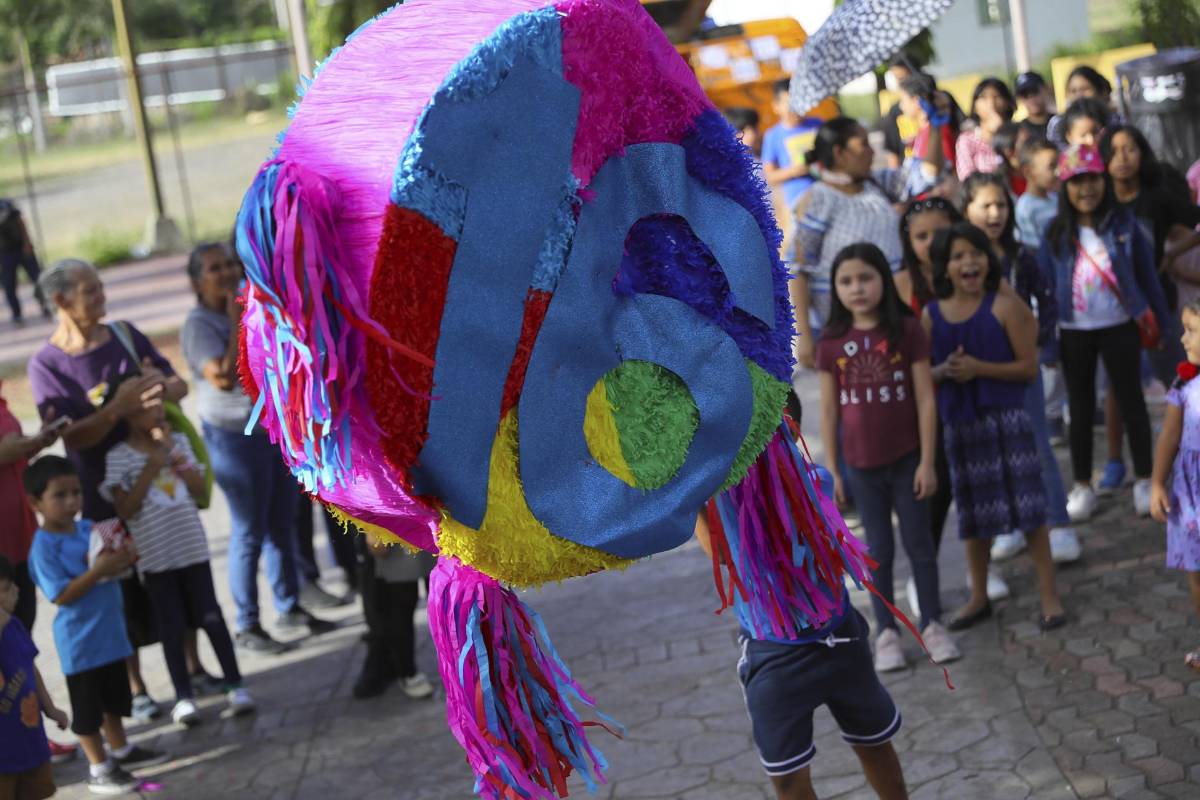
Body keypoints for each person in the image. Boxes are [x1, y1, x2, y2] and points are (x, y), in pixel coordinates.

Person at [27, 258, 189, 724]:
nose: (102, 298)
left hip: (160, 487)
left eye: (101, 288)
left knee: (171, 575)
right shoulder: (46, 365)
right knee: (120, 592)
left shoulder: (123, 334)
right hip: (98, 496)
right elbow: (70, 436)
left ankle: (191, 668)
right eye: (90, 291)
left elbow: (177, 383)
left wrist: (162, 387)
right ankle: (136, 688)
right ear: (61, 302)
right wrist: (116, 409)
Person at [180, 243, 334, 654]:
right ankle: (247, 623)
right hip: (233, 437)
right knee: (249, 531)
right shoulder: (199, 325)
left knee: (281, 523)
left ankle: (289, 606)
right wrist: (236, 324)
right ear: (197, 281)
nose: (227, 272)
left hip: (271, 429)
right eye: (214, 268)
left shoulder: (253, 307)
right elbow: (224, 378)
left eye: (230, 263)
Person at [694, 513, 908, 800]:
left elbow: (816, 529)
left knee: (876, 744)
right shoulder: (713, 484)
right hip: (771, 648)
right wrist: (694, 495)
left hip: (837, 631)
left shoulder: (809, 476)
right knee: (787, 779)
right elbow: (720, 553)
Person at [816, 244, 959, 671]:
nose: (857, 288)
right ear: (835, 289)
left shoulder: (908, 331)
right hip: (861, 467)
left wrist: (928, 461)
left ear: (883, 279)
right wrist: (834, 471)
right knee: (876, 551)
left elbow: (925, 401)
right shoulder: (831, 344)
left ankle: (933, 624)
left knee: (920, 545)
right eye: (846, 281)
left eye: (865, 278)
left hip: (908, 460)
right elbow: (828, 410)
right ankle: (887, 633)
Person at [924, 223, 1066, 632]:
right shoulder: (931, 316)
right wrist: (943, 370)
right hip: (961, 426)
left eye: (976, 253)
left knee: (1030, 509)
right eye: (958, 256)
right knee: (973, 514)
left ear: (989, 261)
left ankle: (1048, 595)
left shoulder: (1006, 307)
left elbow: (1026, 368)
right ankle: (979, 595)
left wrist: (978, 368)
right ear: (945, 268)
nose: (969, 262)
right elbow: (924, 375)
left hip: (1007, 421)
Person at [98, 371, 256, 727]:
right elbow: (125, 509)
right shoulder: (119, 458)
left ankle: (235, 685)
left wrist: (172, 455)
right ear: (127, 415)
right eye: (146, 408)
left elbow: (200, 488)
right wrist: (152, 465)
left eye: (159, 405)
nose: (156, 413)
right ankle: (184, 697)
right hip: (156, 558)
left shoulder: (178, 442)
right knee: (171, 626)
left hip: (192, 550)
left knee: (211, 617)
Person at [1037, 144, 1168, 523]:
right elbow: (1045, 289)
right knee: (1078, 408)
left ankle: (1145, 478)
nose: (1086, 190)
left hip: (1120, 325)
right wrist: (1046, 343)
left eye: (1092, 179)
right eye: (1076, 182)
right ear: (1065, 187)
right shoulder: (1055, 231)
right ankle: (1082, 484)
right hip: (1073, 331)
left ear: (1104, 181)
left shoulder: (1123, 223)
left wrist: (1161, 322)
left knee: (1132, 402)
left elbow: (1147, 276)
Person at [24, 456, 168, 795]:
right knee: (88, 712)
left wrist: (123, 558)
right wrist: (99, 571)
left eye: (75, 492)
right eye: (59, 495)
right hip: (81, 644)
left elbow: (114, 559)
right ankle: (99, 767)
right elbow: (60, 595)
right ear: (35, 503)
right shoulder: (43, 547)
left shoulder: (88, 529)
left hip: (112, 635)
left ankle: (120, 750)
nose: (71, 501)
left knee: (114, 702)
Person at [960, 172, 1080, 565]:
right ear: (966, 210)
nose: (995, 213)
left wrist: (1041, 341)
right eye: (985, 206)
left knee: (1037, 445)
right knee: (994, 449)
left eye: (1001, 205)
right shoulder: (958, 260)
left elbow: (1046, 301)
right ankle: (1009, 526)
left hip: (1021, 366)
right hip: (977, 370)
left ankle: (1058, 523)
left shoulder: (1020, 255)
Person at [789, 117, 920, 369]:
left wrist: (935, 123)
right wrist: (803, 337)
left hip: (889, 322)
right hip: (842, 331)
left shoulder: (877, 183)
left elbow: (927, 175)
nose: (872, 151)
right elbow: (798, 269)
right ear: (839, 153)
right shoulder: (819, 199)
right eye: (864, 145)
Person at [1149, 298, 1200, 672]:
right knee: (1197, 575)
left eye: (1193, 330)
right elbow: (1169, 437)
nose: (1184, 338)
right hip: (1191, 494)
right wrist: (1156, 483)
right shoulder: (1184, 382)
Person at [0, 554, 69, 800]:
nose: (16, 591)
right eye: (6, 589)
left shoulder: (14, 626)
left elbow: (29, 666)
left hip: (29, 739)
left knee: (37, 790)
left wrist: (50, 708)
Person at [352, 533, 436, 700]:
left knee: (442, 591)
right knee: (399, 598)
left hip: (437, 516)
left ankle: (462, 667)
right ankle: (405, 670)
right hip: (389, 523)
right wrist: (371, 528)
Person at [762, 79, 821, 213]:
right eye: (789, 103)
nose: (795, 108)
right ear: (776, 106)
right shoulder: (772, 136)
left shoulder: (817, 124)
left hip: (827, 190)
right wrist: (795, 171)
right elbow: (770, 176)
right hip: (798, 200)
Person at [0, 198, 49, 326]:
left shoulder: (6, 204)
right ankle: (17, 314)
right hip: (4, 253)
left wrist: (27, 243)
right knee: (9, 285)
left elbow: (20, 223)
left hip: (21, 248)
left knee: (37, 279)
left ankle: (46, 306)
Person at [956, 77, 1016, 181]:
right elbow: (967, 178)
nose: (991, 103)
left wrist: (1002, 132)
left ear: (1007, 102)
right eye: (983, 97)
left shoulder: (1018, 133)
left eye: (997, 96)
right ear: (975, 106)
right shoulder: (967, 140)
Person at [1047, 66, 1124, 144]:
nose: (1079, 95)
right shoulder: (1058, 124)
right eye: (1073, 91)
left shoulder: (1115, 120)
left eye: (1085, 89)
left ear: (1099, 90)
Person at [1015, 138, 1061, 251]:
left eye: (1059, 165)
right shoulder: (1025, 208)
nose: (1058, 171)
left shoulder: (1056, 199)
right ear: (1028, 172)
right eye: (1051, 166)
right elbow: (1032, 247)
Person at [1014, 71, 1055, 141]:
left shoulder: (1060, 122)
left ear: (1046, 89)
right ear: (1019, 99)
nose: (1031, 98)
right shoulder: (1018, 131)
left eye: (1034, 91)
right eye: (1025, 95)